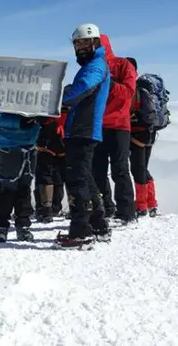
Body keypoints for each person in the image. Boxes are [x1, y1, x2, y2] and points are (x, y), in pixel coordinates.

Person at [55, 23, 112, 248]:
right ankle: (98, 225)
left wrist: (60, 97)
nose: (80, 47)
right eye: (77, 44)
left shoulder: (96, 65)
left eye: (84, 43)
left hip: (83, 129)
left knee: (77, 180)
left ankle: (81, 231)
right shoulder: (93, 64)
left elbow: (85, 87)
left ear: (95, 42)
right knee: (85, 177)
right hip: (83, 129)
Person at [93, 34, 138, 223]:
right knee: (97, 171)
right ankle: (105, 208)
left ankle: (126, 212)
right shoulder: (91, 68)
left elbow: (129, 92)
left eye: (94, 43)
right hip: (97, 125)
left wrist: (110, 85)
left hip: (119, 125)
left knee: (120, 169)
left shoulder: (122, 65)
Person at [0, 112, 42, 242]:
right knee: (7, 189)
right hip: (8, 146)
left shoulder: (38, 93)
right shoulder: (4, 93)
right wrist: (20, 122)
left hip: (30, 145)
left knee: (24, 188)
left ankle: (23, 225)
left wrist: (41, 120)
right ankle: (2, 226)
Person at [126, 57, 159, 217]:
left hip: (137, 134)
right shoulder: (145, 89)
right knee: (143, 168)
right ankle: (151, 203)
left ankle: (141, 205)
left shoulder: (134, 88)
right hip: (150, 133)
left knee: (137, 169)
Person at [34, 107, 68, 222]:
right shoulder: (70, 98)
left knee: (44, 174)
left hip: (47, 138)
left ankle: (45, 210)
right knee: (60, 176)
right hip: (65, 138)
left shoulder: (47, 101)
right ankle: (56, 207)